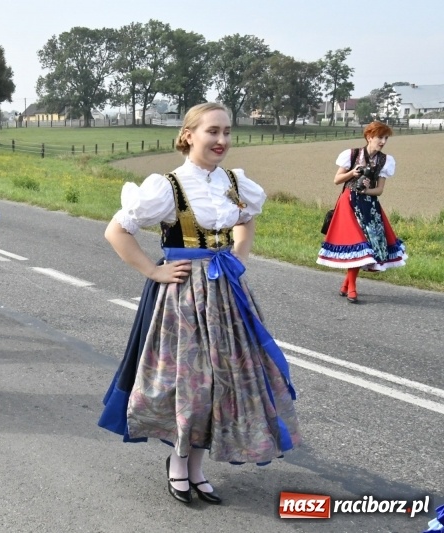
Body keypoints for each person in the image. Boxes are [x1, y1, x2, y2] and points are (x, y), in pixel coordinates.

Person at [98, 103, 300, 506]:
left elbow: (246, 219)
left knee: (222, 379)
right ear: (189, 135)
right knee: (190, 381)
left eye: (227, 131)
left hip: (225, 295)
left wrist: (239, 255)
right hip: (182, 298)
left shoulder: (234, 182)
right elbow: (116, 231)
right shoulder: (168, 186)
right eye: (212, 131)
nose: (222, 140)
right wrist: (153, 271)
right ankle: (178, 462)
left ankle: (196, 466)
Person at [317, 122, 407, 303]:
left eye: (386, 138)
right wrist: (353, 173)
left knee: (365, 246)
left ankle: (346, 285)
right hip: (348, 203)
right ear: (369, 137)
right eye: (380, 137)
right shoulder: (351, 154)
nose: (383, 141)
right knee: (357, 242)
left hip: (369, 205)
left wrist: (365, 190)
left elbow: (379, 190)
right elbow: (337, 180)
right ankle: (352, 288)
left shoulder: (385, 160)